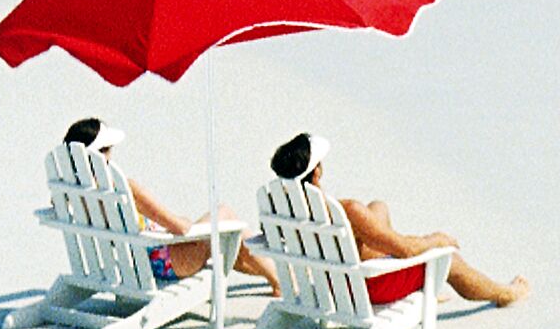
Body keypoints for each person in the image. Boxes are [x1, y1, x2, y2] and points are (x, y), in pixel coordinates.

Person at [266, 133, 529, 307]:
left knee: (377, 208)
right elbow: (406, 250)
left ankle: (417, 282)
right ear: (317, 173)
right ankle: (503, 294)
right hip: (362, 290)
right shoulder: (347, 210)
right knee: (448, 260)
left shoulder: (284, 210)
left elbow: (265, 241)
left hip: (331, 285)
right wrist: (438, 239)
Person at [61, 117, 268, 285]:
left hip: (131, 263)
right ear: (103, 154)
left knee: (232, 241)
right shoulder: (124, 189)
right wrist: (188, 224)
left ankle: (274, 277)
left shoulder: (74, 193)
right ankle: (281, 281)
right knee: (226, 218)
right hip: (165, 263)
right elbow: (180, 229)